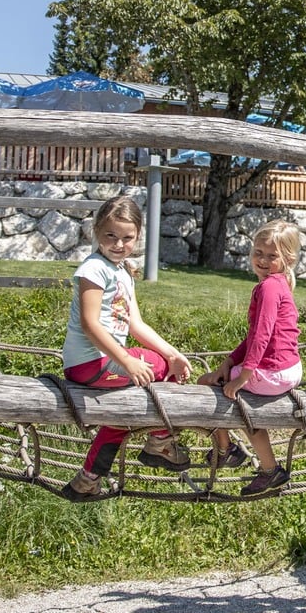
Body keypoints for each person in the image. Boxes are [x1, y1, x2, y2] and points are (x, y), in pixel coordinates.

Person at [59, 195, 192, 502]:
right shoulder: (93, 269)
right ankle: (160, 441)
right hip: (92, 362)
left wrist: (174, 354)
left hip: (107, 362)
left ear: (138, 236)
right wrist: (128, 362)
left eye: (127, 238)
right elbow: (91, 325)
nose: (119, 244)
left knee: (126, 410)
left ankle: (88, 479)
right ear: (96, 232)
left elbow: (136, 325)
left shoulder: (122, 271)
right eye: (111, 236)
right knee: (155, 367)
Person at [199, 219, 304, 496]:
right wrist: (230, 362)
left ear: (288, 258)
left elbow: (262, 337)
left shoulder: (269, 287)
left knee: (209, 387)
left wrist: (243, 376)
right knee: (225, 387)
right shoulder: (278, 284)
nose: (263, 260)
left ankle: (228, 450)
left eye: (272, 256)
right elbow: (254, 336)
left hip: (272, 372)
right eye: (258, 252)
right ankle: (263, 467)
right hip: (288, 368)